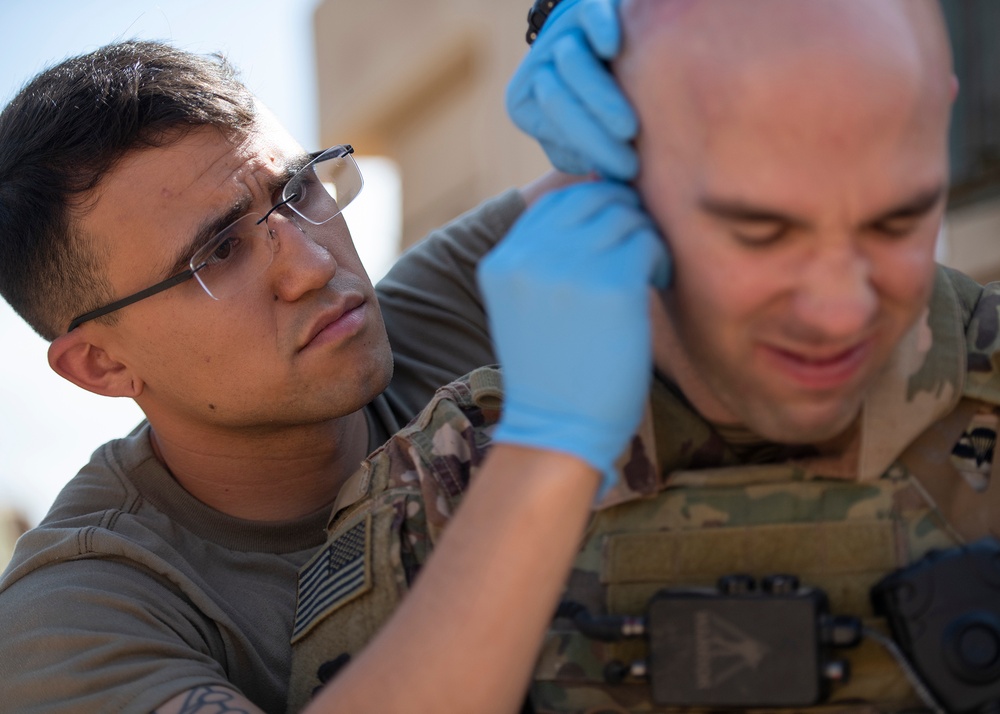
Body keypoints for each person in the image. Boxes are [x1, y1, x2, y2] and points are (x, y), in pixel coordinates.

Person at [288, 0, 1000, 712]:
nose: (840, 307)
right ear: (605, 180)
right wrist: (546, 462)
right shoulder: (442, 486)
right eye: (760, 232)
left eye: (896, 221)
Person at [0, 21, 648, 712]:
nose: (313, 266)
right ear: (101, 363)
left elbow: (681, 165)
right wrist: (548, 456)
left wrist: (644, 39)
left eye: (298, 189)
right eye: (217, 253)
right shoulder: (75, 616)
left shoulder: (441, 310)